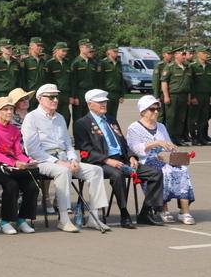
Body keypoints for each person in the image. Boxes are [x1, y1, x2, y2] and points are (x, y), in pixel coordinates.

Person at [75, 89, 167, 230]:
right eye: (100, 102)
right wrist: (107, 160)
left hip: (121, 159)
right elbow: (85, 150)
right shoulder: (82, 123)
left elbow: (123, 142)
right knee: (117, 175)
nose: (104, 104)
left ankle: (146, 212)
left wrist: (131, 156)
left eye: (105, 101)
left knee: (155, 174)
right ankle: (124, 213)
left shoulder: (111, 119)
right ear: (89, 104)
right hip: (100, 162)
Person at [21, 84, 109, 232]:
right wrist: (59, 162)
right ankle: (64, 219)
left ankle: (94, 217)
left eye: (56, 96)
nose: (55, 100)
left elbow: (68, 143)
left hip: (64, 158)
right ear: (40, 99)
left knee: (96, 171)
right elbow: (33, 150)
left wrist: (73, 159)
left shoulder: (60, 117)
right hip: (43, 161)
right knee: (62, 171)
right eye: (50, 97)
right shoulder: (31, 118)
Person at [127, 95, 196, 224]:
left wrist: (172, 148)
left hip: (163, 158)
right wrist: (155, 143)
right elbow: (134, 149)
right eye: (152, 109)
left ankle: (184, 211)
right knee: (165, 172)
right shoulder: (134, 128)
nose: (156, 112)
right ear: (143, 111)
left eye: (158, 108)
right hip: (146, 160)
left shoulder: (161, 126)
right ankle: (162, 209)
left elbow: (167, 144)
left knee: (182, 170)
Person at [0, 96, 39, 234]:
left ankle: (22, 219)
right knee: (11, 185)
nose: (9, 112)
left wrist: (27, 161)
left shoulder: (14, 129)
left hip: (14, 166)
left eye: (11, 109)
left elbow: (18, 152)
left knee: (33, 186)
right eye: (5, 109)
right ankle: (5, 221)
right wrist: (14, 163)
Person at [162, 47, 192, 146]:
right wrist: (166, 96)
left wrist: (188, 97)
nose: (184, 56)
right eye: (182, 54)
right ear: (176, 55)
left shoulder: (187, 67)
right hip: (173, 96)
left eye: (185, 54)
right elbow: (164, 82)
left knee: (181, 118)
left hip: (184, 96)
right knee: (171, 118)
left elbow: (189, 84)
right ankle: (170, 139)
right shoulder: (170, 67)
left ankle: (178, 138)